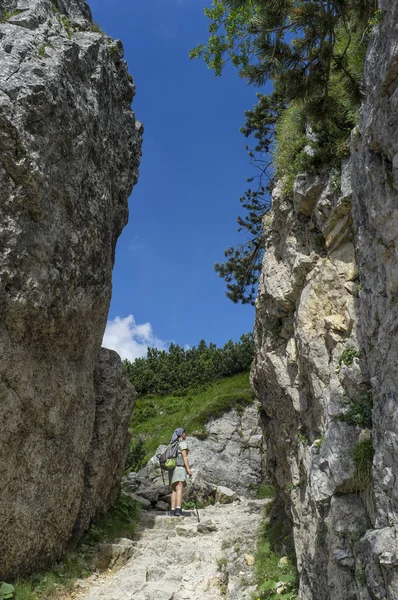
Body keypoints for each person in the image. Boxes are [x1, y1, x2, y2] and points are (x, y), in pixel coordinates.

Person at [169, 427, 192, 517]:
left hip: (172, 469)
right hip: (179, 468)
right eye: (184, 433)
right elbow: (184, 457)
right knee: (179, 488)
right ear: (181, 434)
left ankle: (172, 510)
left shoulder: (173, 444)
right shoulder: (182, 443)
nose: (185, 434)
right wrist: (188, 469)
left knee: (174, 489)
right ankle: (178, 509)